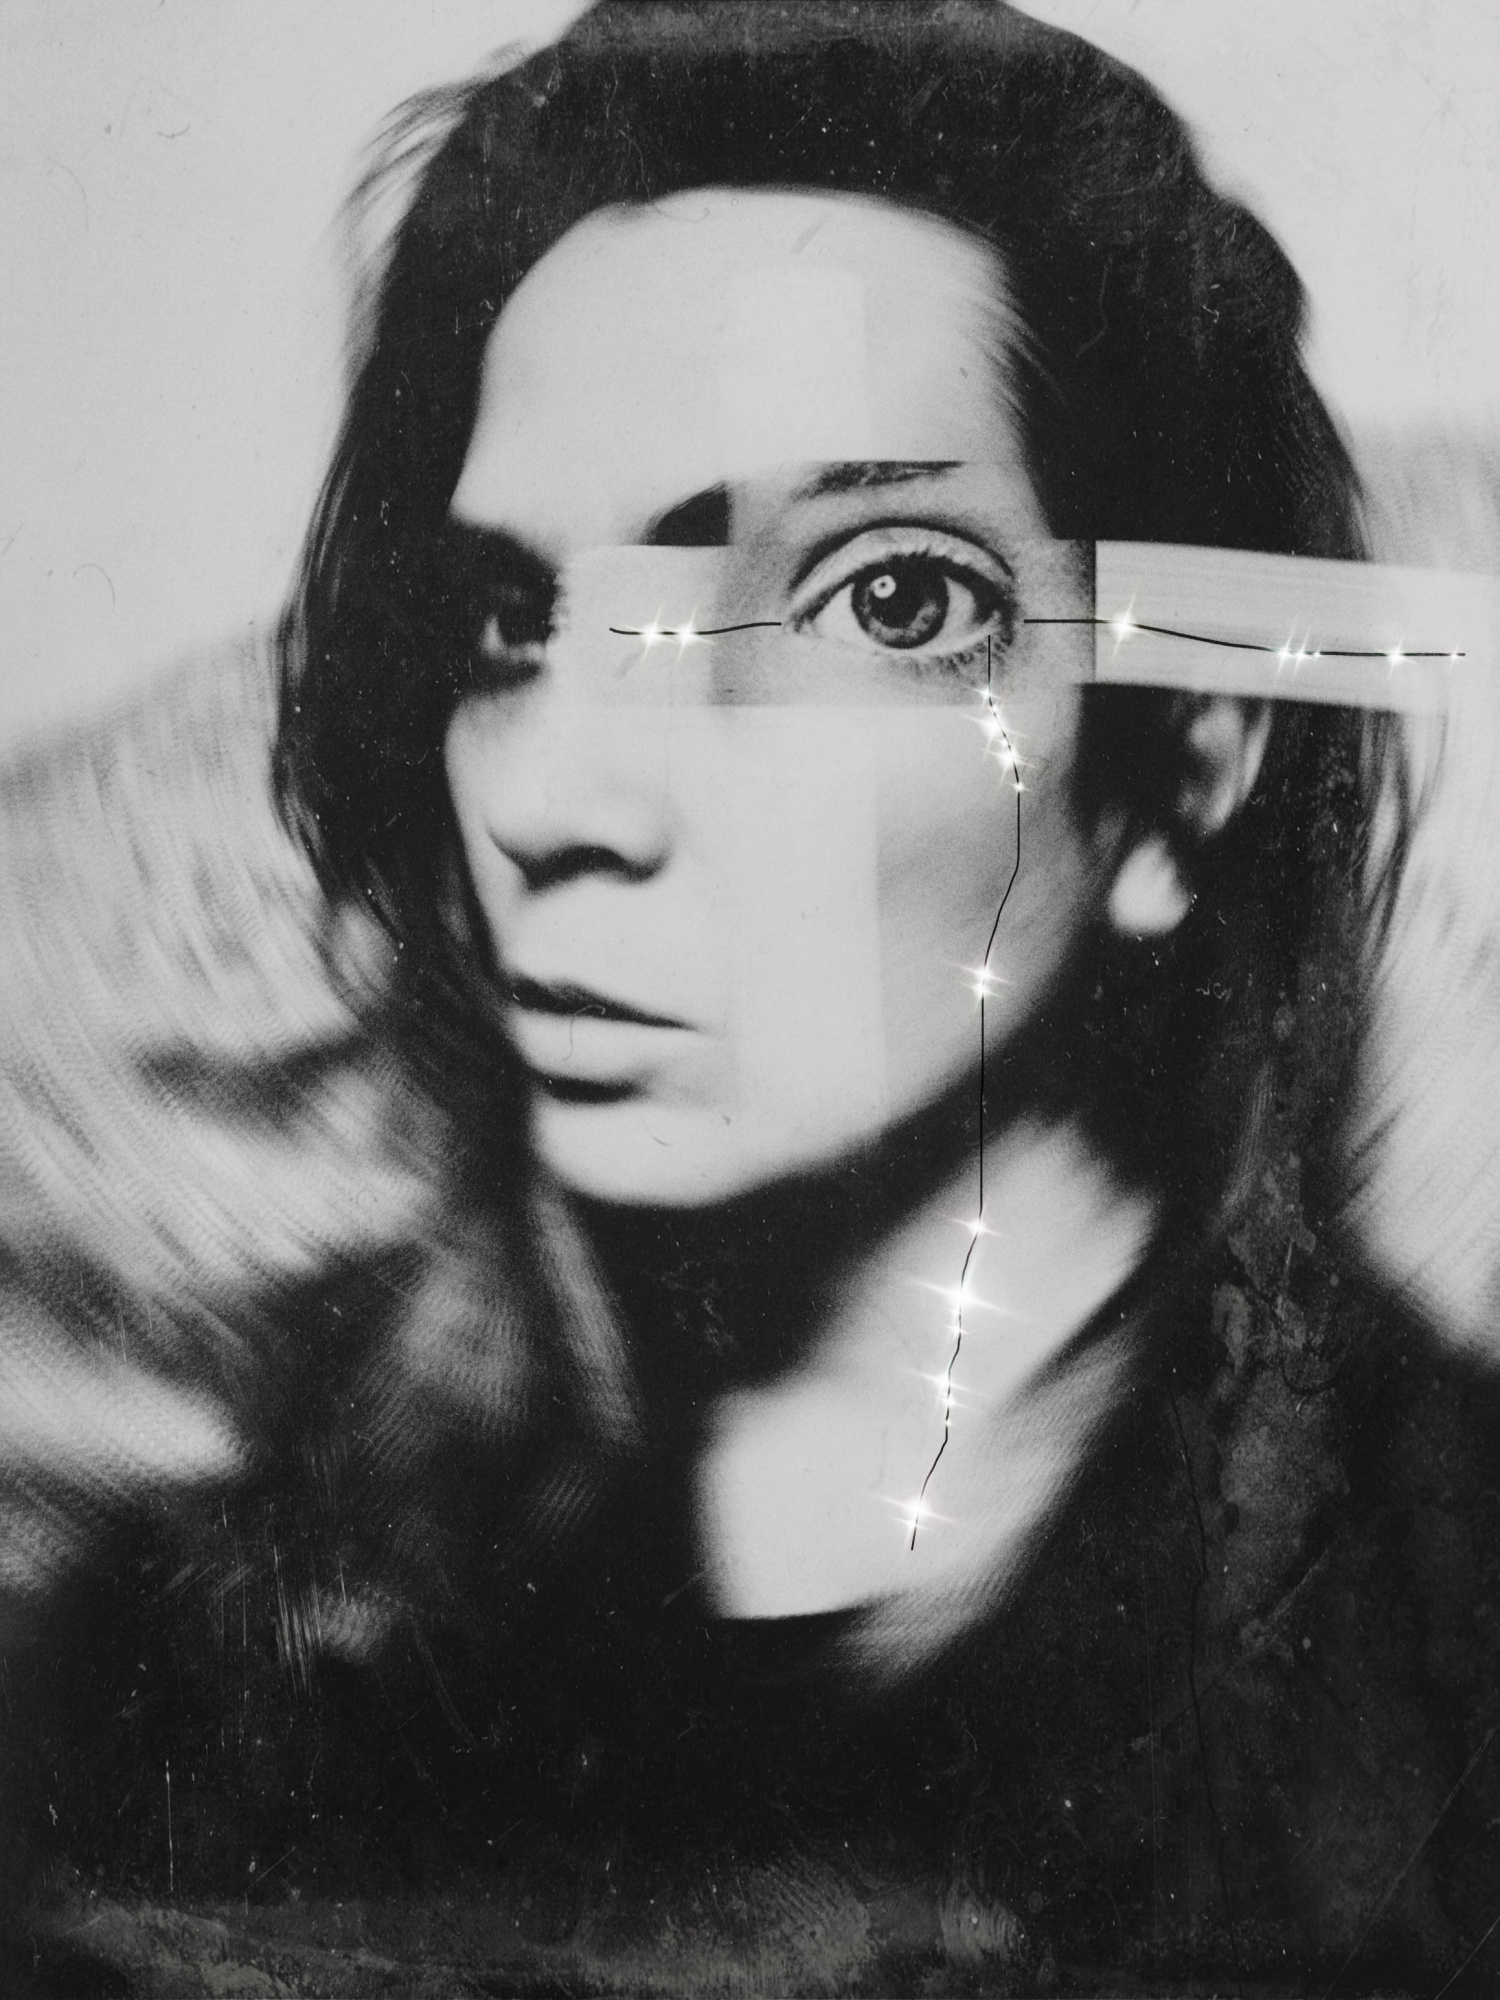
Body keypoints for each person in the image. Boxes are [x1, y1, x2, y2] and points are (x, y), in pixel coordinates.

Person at [5, 1, 1499, 1991]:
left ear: (1188, 763)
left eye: (883, 597)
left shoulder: (1433, 1699)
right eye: (509, 618)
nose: (553, 793)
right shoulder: (184, 1683)